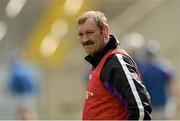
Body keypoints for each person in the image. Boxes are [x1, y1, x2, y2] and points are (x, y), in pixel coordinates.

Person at [76, 11, 152, 120]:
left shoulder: (115, 61)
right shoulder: (100, 61)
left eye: (90, 32)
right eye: (81, 34)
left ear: (105, 30)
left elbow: (140, 109)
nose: (85, 39)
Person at [135, 40, 178, 120]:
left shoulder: (162, 68)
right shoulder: (144, 69)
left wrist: (173, 100)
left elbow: (172, 84)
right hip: (154, 105)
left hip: (159, 105)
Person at [7, 55, 39, 120]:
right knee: (27, 108)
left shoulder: (16, 72)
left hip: (23, 95)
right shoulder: (24, 70)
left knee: (25, 108)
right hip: (28, 95)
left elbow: (12, 86)